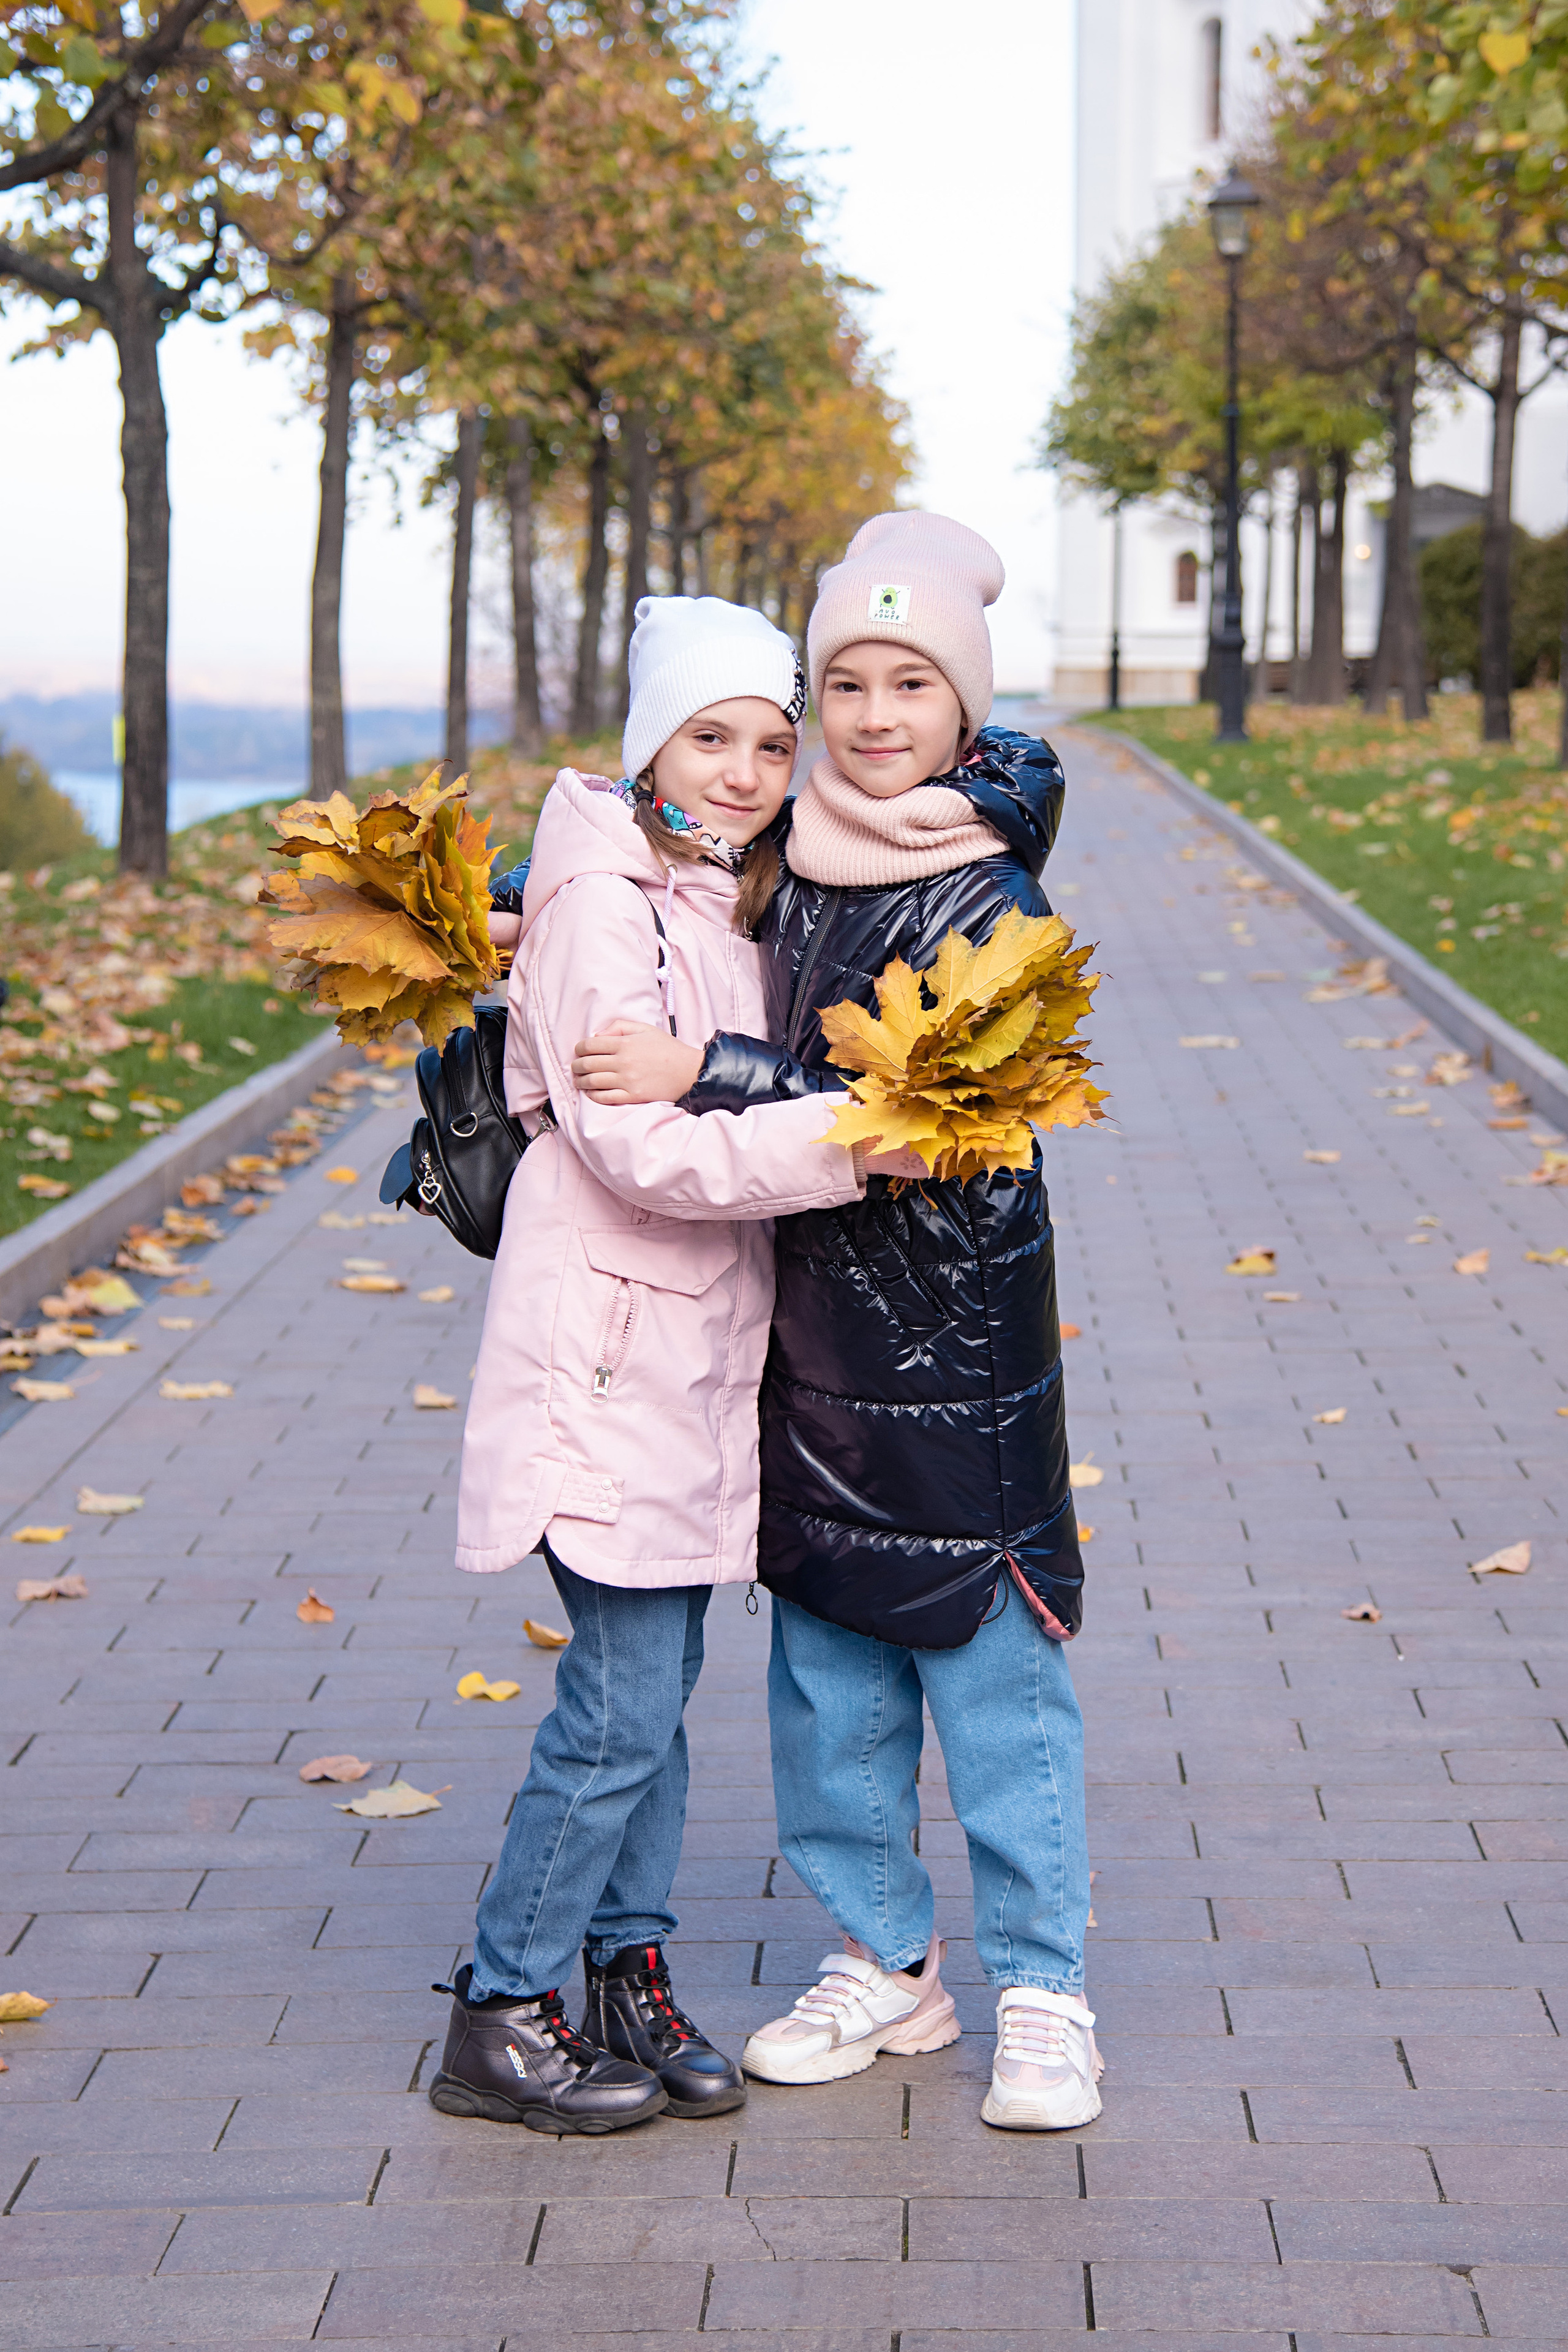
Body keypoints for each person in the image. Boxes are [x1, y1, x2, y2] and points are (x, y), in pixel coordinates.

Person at [572, 514, 1100, 2132]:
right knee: (829, 1698)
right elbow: (664, 889)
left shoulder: (990, 893)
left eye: (912, 684)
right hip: (807, 1355)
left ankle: (1044, 1992)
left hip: (953, 1366)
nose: (875, 717)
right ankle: (887, 1962)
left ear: (965, 706)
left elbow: (918, 1111)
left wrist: (706, 1078)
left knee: (999, 1704)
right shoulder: (785, 856)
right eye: (846, 684)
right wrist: (534, 917)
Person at [432, 595, 897, 2139]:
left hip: (693, 1360)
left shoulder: (714, 900)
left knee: (659, 1694)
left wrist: (734, 1081)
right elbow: (631, 1147)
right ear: (648, 748)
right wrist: (847, 1145)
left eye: (772, 743)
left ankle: (625, 1973)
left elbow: (702, 1089)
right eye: (711, 738)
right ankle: (502, 2007)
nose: (747, 771)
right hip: (609, 1351)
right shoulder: (599, 905)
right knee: (621, 1709)